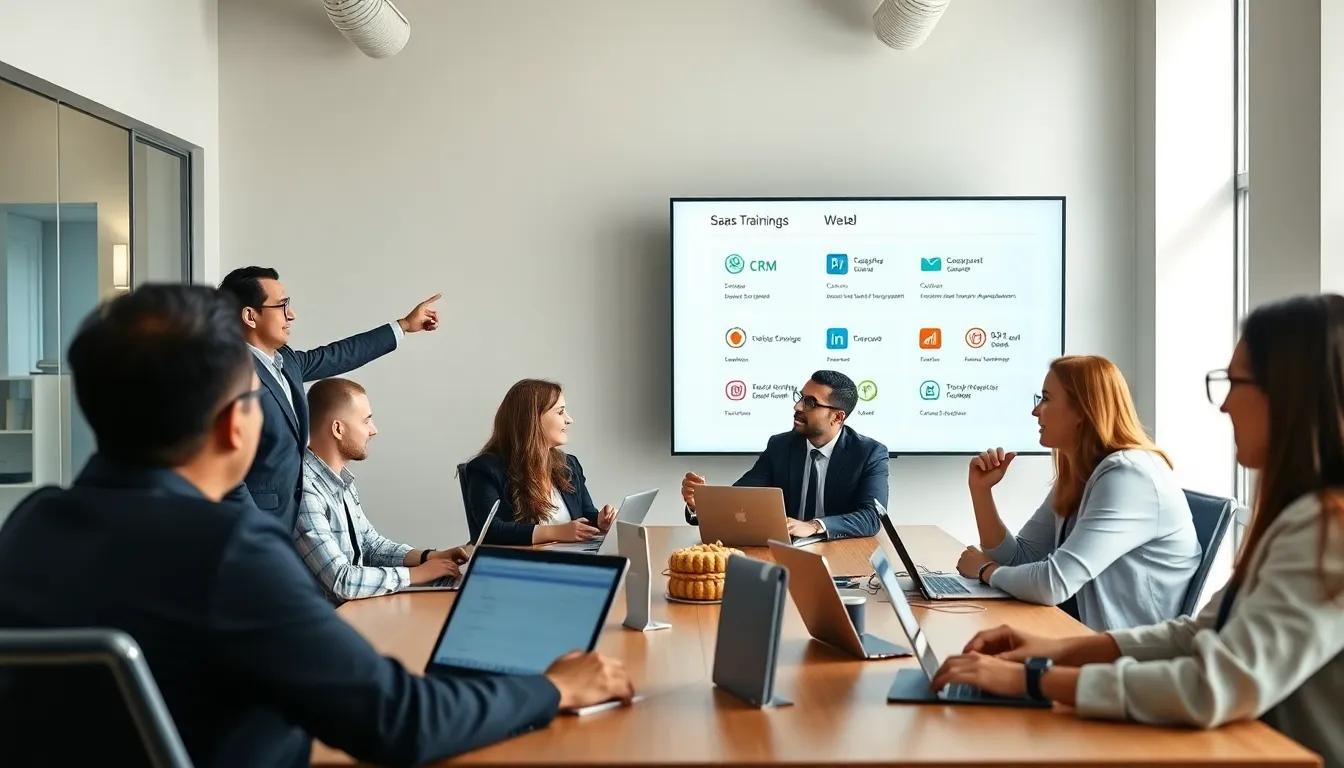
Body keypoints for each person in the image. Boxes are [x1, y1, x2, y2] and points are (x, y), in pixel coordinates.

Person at [0, 285, 634, 768]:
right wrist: (553, 688)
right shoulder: (229, 552)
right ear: (236, 425)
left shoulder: (32, 524)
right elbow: (399, 722)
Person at [932, 294, 1344, 768]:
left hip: (1257, 749)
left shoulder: (1326, 529)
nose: (1225, 404)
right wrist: (1052, 650)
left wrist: (1034, 677)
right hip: (1224, 731)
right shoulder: (1303, 517)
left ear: (1290, 393)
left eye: (1235, 382)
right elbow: (1198, 634)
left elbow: (1209, 686)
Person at [952, 355, 1200, 631]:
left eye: (1046, 399)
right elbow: (1019, 558)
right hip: (1085, 636)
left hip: (1126, 657)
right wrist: (981, 491)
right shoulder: (1082, 472)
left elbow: (1053, 584)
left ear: (1082, 410)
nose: (1036, 412)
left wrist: (986, 571)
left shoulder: (1129, 477)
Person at [218, 265, 441, 534]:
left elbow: (340, 355)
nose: (292, 314)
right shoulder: (228, 375)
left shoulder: (286, 361)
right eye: (281, 306)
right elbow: (224, 470)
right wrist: (252, 531)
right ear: (250, 316)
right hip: (254, 534)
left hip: (289, 528)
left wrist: (404, 326)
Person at [296, 377, 469, 603]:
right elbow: (341, 580)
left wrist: (430, 557)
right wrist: (416, 575)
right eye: (366, 421)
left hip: (354, 611)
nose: (373, 430)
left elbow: (370, 545)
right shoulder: (305, 490)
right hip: (326, 623)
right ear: (338, 429)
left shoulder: (340, 481)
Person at [681, 370, 887, 540]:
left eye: (810, 403)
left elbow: (871, 517)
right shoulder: (780, 446)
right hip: (788, 552)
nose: (797, 407)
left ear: (837, 416)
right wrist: (703, 505)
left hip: (843, 553)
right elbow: (742, 497)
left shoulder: (869, 453)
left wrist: (814, 526)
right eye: (800, 398)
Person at [461, 379, 616, 545]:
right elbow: (490, 531)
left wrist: (600, 522)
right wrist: (557, 532)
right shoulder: (486, 469)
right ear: (533, 419)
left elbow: (585, 515)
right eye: (560, 412)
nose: (569, 419)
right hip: (523, 565)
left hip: (571, 560)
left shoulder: (569, 465)